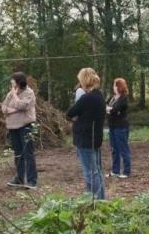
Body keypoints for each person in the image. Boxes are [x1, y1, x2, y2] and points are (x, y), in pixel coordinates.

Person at [66, 68, 106, 200]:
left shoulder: (86, 98)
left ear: (84, 80)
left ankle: (96, 201)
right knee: (97, 171)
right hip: (96, 138)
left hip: (85, 139)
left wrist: (77, 118)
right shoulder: (99, 95)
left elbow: (69, 113)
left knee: (90, 173)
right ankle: (98, 199)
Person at [1, 72, 37, 189]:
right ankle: (19, 178)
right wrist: (13, 109)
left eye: (13, 80)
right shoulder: (10, 94)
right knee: (18, 154)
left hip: (25, 126)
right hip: (13, 127)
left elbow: (23, 106)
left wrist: (15, 96)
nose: (11, 83)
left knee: (28, 153)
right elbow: (4, 108)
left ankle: (32, 181)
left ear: (18, 81)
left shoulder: (29, 93)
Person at [106, 78, 131, 178]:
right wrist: (110, 110)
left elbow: (115, 110)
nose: (113, 87)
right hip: (112, 127)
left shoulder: (123, 98)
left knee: (123, 149)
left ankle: (126, 171)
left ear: (118, 86)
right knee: (114, 149)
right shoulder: (112, 97)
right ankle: (115, 171)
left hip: (121, 127)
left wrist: (111, 110)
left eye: (114, 85)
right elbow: (107, 106)